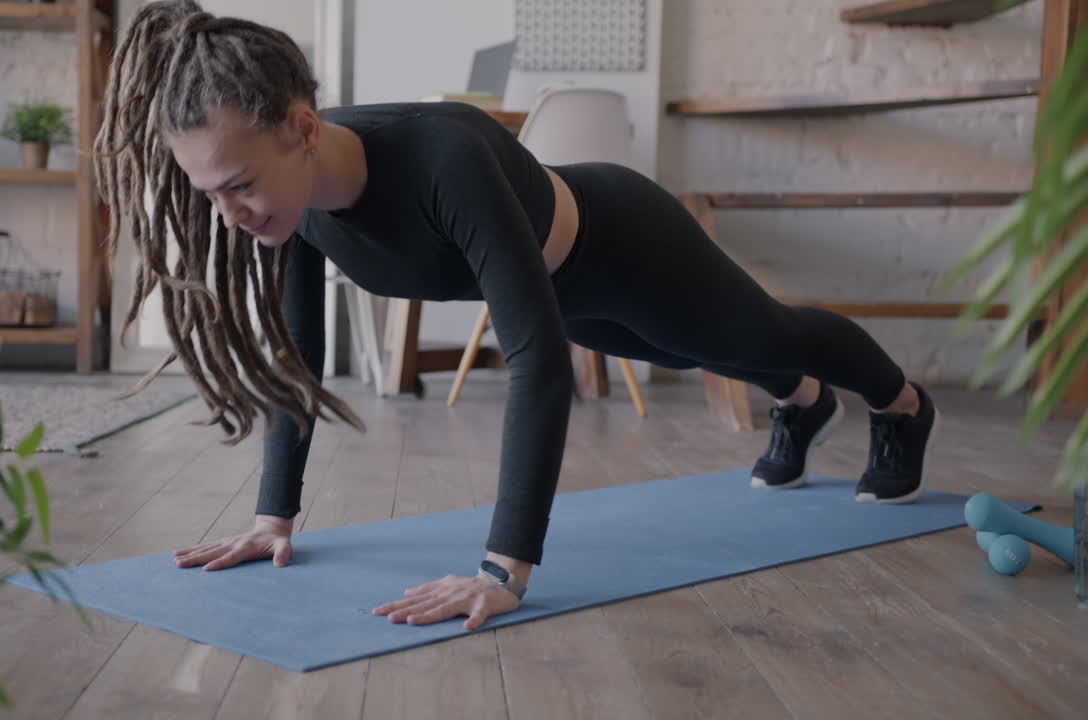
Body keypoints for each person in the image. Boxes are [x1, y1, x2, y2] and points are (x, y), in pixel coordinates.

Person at [96, 0, 938, 631]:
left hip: (629, 246)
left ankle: (900, 405)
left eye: (238, 185)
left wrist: (504, 570)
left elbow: (536, 365)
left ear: (304, 129)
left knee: (752, 335)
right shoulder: (289, 207)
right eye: (210, 195)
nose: (229, 214)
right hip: (576, 296)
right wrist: (271, 518)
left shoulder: (443, 158)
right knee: (689, 352)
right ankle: (801, 401)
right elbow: (297, 361)